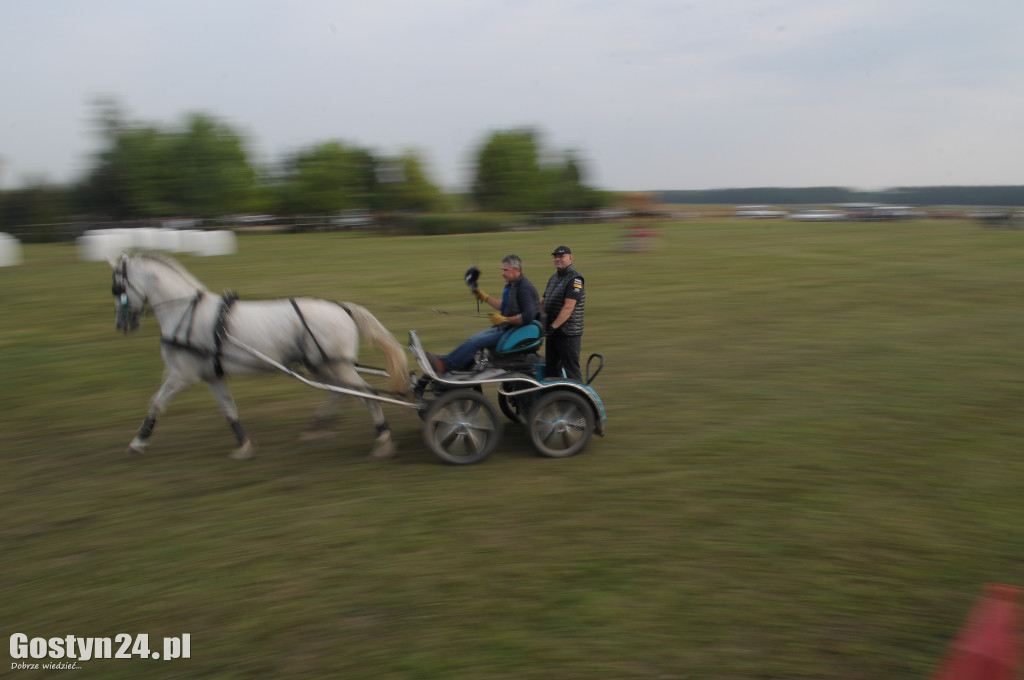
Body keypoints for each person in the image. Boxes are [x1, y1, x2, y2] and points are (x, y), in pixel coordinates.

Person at [427, 254, 539, 374]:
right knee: (472, 339)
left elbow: (527, 316)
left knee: (476, 342)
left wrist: (505, 320)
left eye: (505, 270)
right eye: (502, 270)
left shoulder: (524, 288)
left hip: (513, 332)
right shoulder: (512, 285)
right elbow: (505, 305)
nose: (502, 273)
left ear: (516, 270)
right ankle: (450, 362)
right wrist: (484, 296)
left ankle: (445, 366)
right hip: (506, 328)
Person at [541, 245, 585, 381]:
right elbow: (543, 302)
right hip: (553, 333)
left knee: (572, 372)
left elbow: (568, 308)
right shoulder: (554, 278)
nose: (557, 259)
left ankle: (578, 401)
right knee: (552, 372)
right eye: (555, 256)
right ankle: (557, 399)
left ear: (570, 258)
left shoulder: (575, 279)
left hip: (568, 335)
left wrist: (553, 327)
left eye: (561, 256)